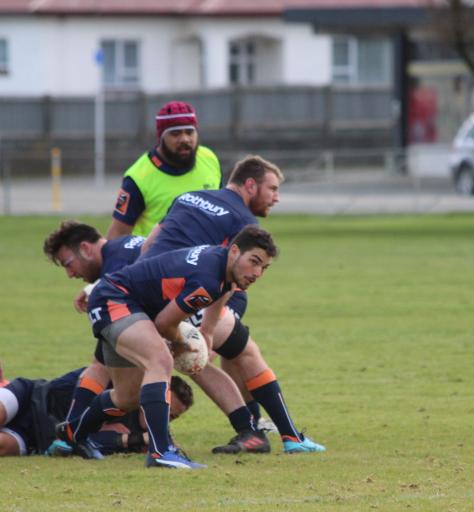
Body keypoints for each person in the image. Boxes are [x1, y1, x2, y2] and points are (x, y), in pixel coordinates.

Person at [142, 155, 325, 454]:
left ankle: (252, 431)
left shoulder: (189, 196)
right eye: (273, 189)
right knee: (242, 349)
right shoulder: (243, 221)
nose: (276, 198)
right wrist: (209, 331)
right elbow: (228, 276)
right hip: (179, 292)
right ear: (250, 185)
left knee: (196, 360)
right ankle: (286, 436)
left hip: (144, 286)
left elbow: (149, 245)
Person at [57, 225, 278, 469]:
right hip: (116, 299)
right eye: (254, 261)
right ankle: (161, 451)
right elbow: (164, 323)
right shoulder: (207, 279)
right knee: (160, 360)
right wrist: (182, 343)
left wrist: (207, 331)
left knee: (128, 397)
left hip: (124, 302)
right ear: (235, 251)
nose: (257, 272)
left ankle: (72, 432)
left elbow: (224, 291)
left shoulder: (221, 263)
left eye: (264, 267)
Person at [0, 366, 193, 457]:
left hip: (36, 437)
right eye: (163, 408)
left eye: (172, 417)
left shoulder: (150, 433)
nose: (163, 417)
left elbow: (94, 442)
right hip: (31, 397)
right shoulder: (121, 386)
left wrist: (138, 440)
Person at [106, 101, 222, 239]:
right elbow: (118, 233)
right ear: (161, 137)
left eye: (190, 132)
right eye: (175, 133)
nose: (185, 139)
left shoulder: (209, 158)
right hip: (157, 258)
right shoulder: (138, 178)